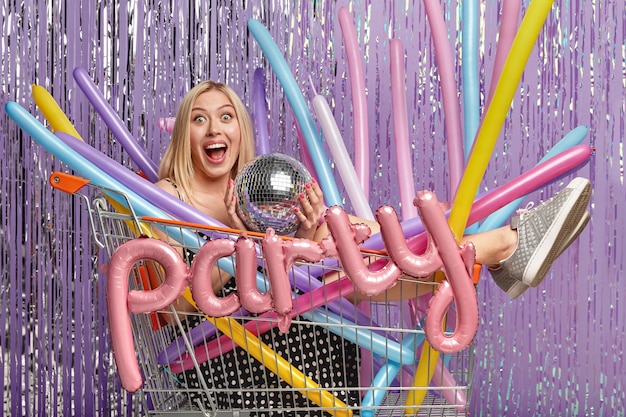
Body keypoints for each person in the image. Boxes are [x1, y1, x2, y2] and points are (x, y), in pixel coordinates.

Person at [154, 80, 591, 414]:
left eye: (226, 116)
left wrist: (308, 233)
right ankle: (501, 248)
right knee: (349, 266)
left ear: (240, 128)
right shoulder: (165, 196)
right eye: (199, 118)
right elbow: (175, 305)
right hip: (233, 363)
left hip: (302, 346)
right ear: (185, 134)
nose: (214, 128)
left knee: (348, 245)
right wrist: (236, 237)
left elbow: (288, 266)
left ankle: (495, 247)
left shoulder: (255, 190)